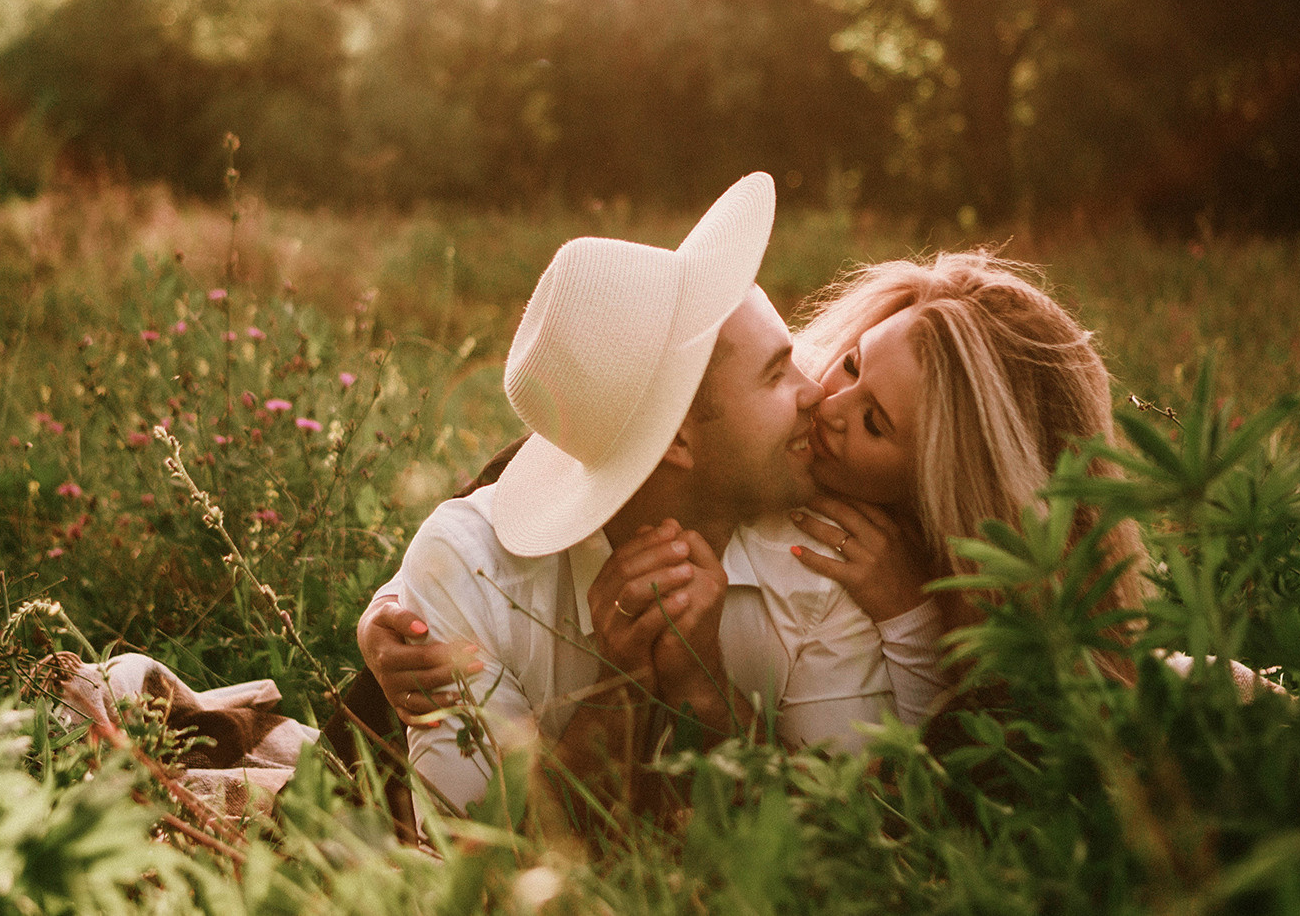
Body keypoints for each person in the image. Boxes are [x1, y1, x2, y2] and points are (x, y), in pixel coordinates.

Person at [376, 174, 952, 819]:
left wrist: (707, 696)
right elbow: (476, 856)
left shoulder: (820, 550)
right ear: (676, 440)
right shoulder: (467, 570)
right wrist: (618, 694)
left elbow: (852, 832)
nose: (816, 390)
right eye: (774, 374)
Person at [780, 251, 1147, 682]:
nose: (829, 405)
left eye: (874, 423)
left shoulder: (1009, 607)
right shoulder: (783, 380)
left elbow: (969, 738)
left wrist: (908, 619)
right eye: (852, 364)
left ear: (942, 483)